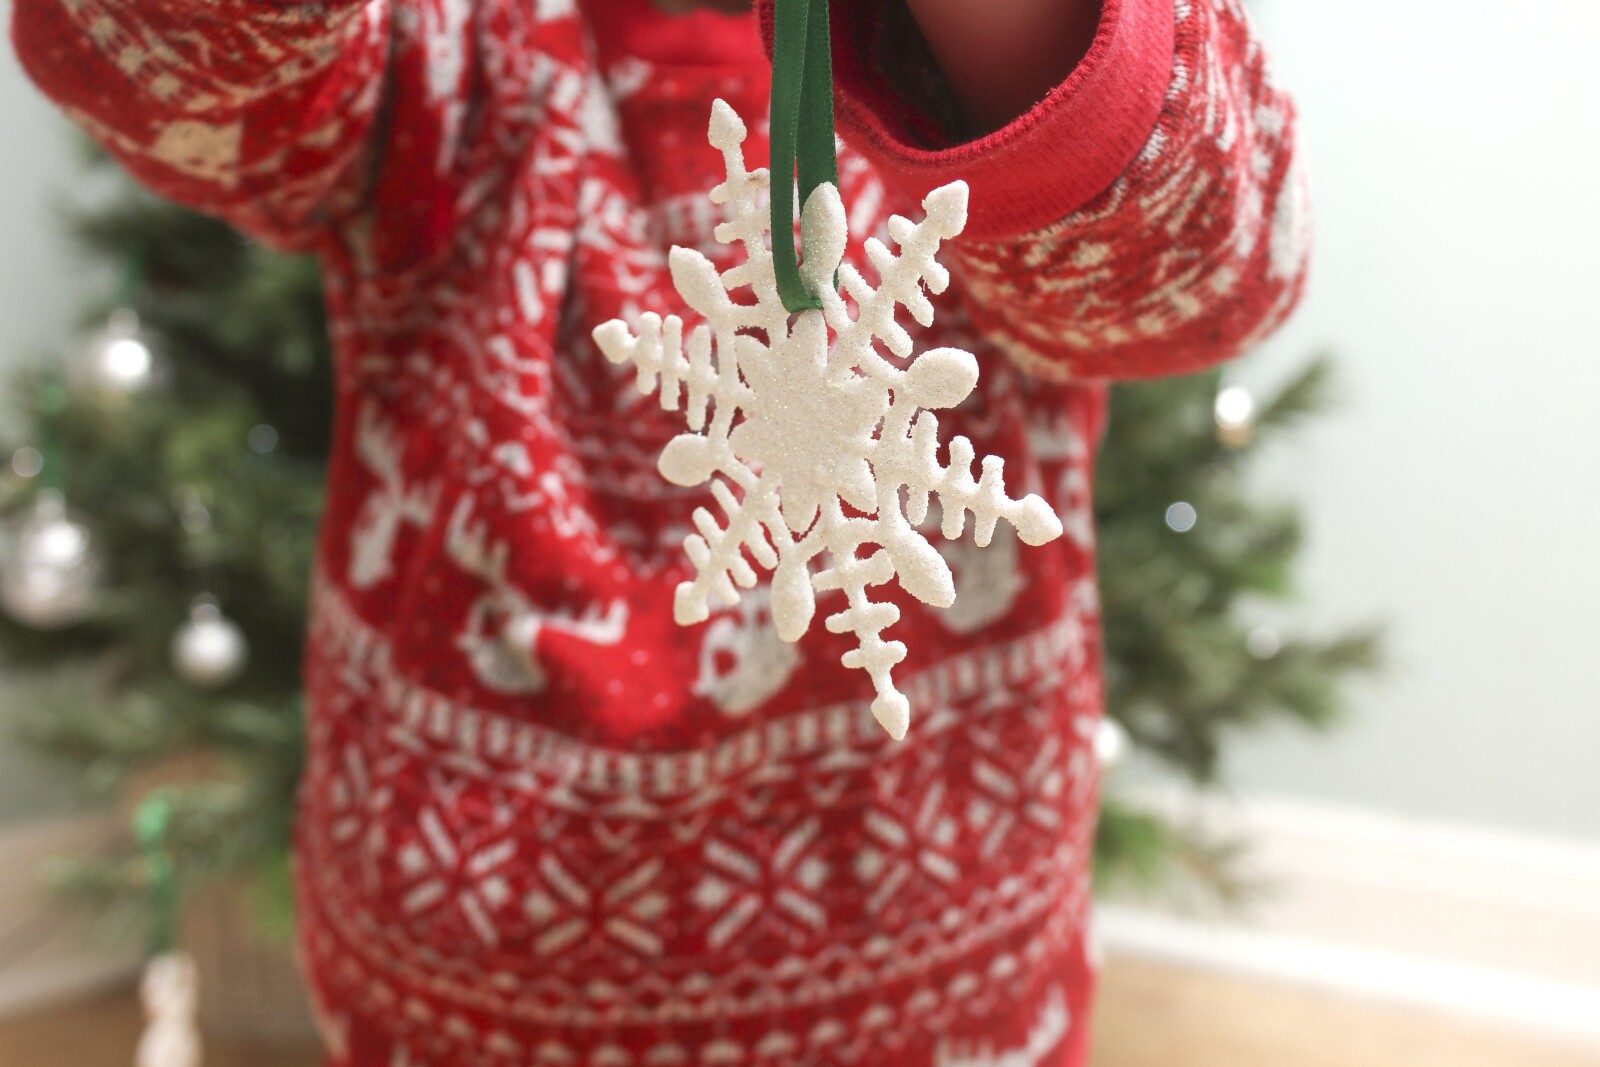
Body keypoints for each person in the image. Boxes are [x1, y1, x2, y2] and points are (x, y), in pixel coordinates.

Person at [11, 0, 1307, 1062]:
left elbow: (1211, 275)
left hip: (949, 979)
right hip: (467, 982)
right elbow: (158, 63)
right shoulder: (450, 40)